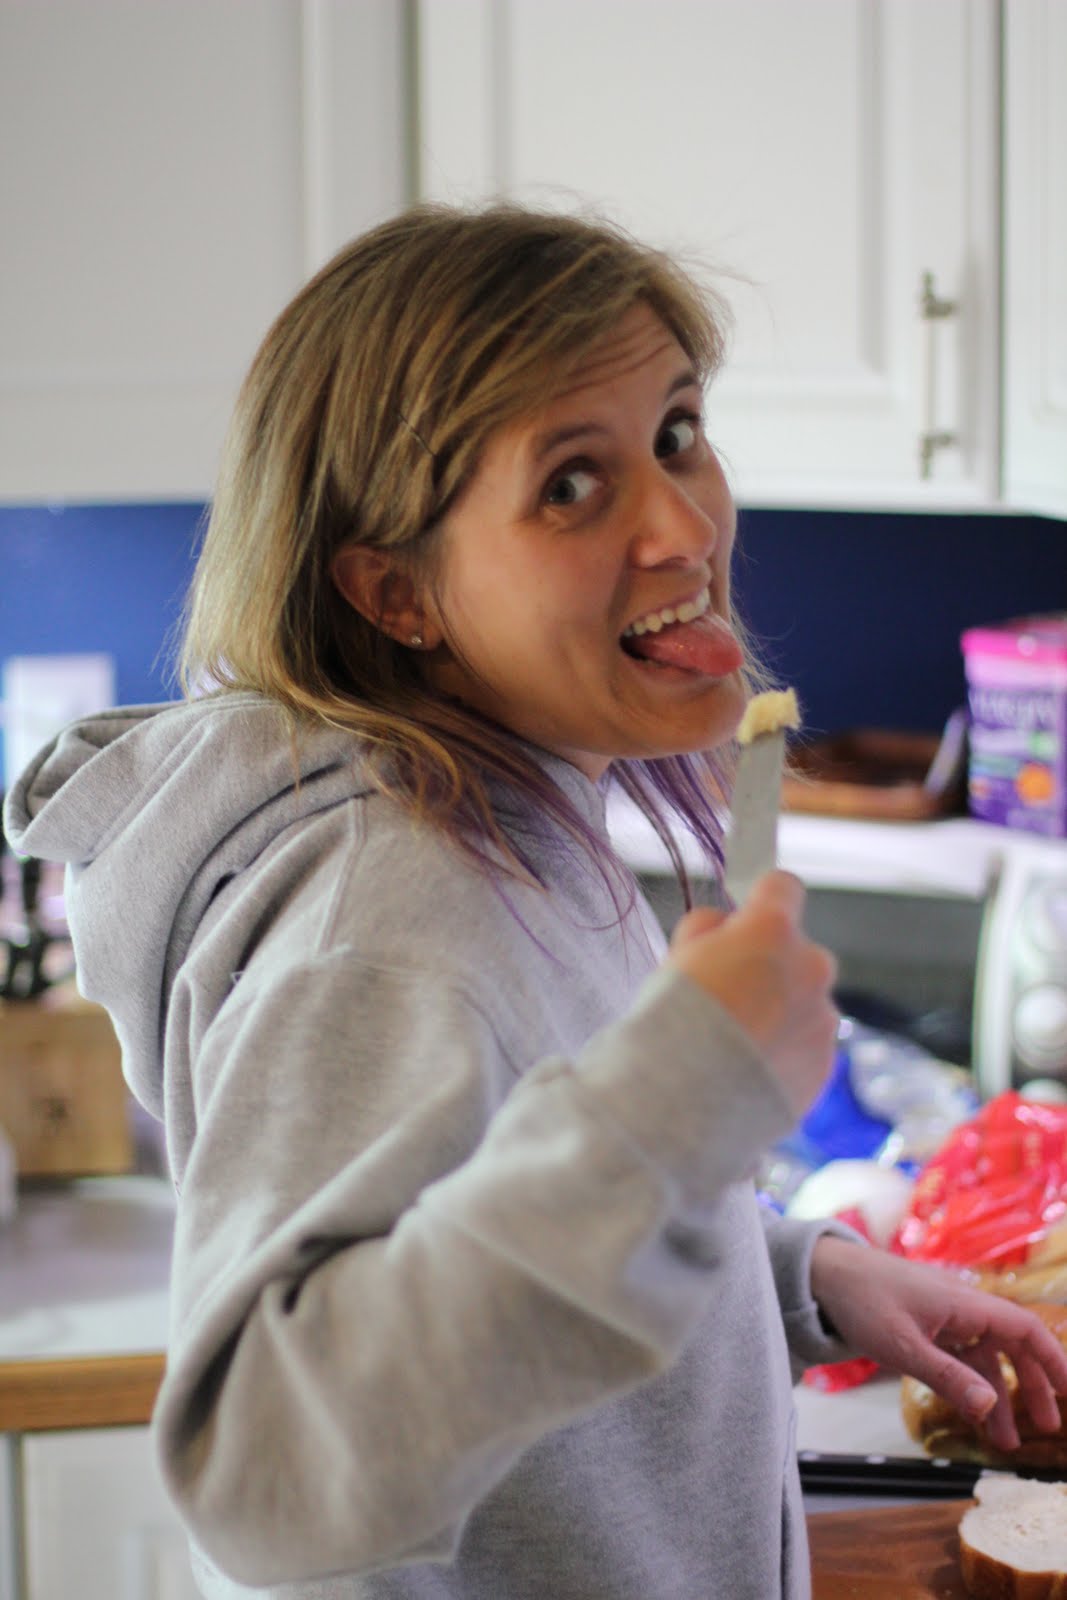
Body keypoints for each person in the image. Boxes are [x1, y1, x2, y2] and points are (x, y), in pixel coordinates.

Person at [6, 204, 1066, 1600]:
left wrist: (788, 1277)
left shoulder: (514, 813)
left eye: (676, 432)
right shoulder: (385, 921)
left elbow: (483, 1223)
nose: (684, 524)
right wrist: (678, 1101)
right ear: (397, 593)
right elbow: (266, 1476)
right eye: (571, 484)